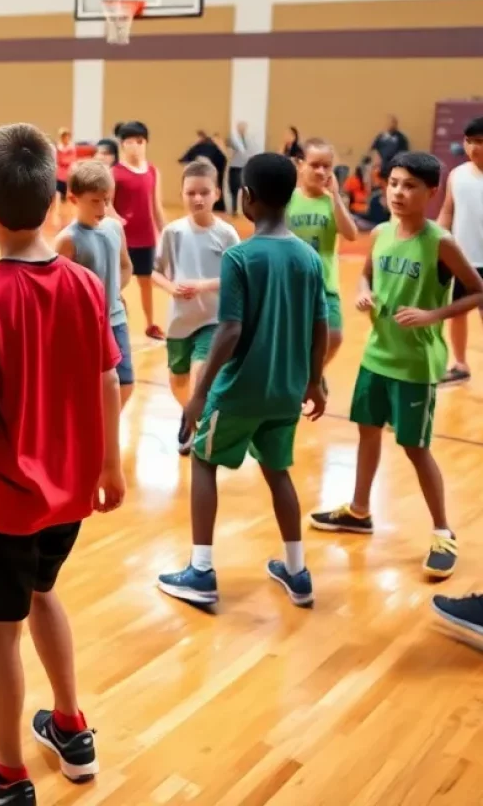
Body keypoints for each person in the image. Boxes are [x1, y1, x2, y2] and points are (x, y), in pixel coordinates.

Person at [0, 124, 125, 806]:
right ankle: (71, 726)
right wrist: (110, 467)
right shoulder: (83, 284)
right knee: (44, 593)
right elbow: (109, 378)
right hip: (67, 496)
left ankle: (6, 772)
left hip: (6, 500)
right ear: (55, 201)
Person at [158, 153, 327, 608]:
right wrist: (316, 381)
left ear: (245, 197)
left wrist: (199, 395)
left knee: (202, 460)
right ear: (290, 196)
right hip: (286, 391)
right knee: (278, 473)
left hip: (238, 391)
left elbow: (229, 329)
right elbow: (319, 325)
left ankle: (201, 571)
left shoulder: (240, 256)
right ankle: (297, 571)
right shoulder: (309, 258)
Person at [310, 151, 483, 579]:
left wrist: (432, 315)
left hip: (416, 364)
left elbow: (477, 291)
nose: (398, 193)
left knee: (415, 448)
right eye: (393, 184)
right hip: (376, 357)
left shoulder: (440, 241)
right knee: (367, 434)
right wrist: (362, 292)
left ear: (429, 192)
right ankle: (359, 510)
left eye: (409, 186)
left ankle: (443, 530)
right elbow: (366, 274)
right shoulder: (383, 232)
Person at [153, 160, 240, 455]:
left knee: (201, 374)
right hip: (180, 321)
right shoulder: (172, 233)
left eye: (204, 192)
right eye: (191, 193)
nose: (198, 198)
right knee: (178, 380)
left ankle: (200, 423)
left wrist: (203, 286)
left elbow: (237, 275)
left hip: (213, 319)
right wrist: (170, 287)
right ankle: (188, 413)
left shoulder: (227, 234)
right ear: (182, 194)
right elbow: (154, 271)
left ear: (216, 193)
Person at [56, 160, 134, 408]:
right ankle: (92, 435)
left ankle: (102, 430)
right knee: (89, 387)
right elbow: (57, 289)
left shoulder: (114, 229)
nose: (102, 207)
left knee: (126, 383)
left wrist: (114, 290)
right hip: (84, 327)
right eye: (95, 201)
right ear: (73, 199)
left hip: (116, 319)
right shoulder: (67, 240)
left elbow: (125, 266)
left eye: (107, 200)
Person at [286, 138, 358, 371]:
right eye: (315, 164)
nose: (321, 171)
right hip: (291, 283)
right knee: (292, 339)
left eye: (327, 166)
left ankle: (312, 374)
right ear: (300, 165)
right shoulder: (289, 199)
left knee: (334, 336)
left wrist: (336, 197)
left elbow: (351, 234)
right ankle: (298, 376)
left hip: (324, 283)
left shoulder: (332, 202)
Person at [437, 117, 483, 384]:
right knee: (457, 313)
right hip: (462, 259)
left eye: (480, 142)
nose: (474, 148)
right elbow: (447, 210)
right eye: (470, 141)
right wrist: (437, 242)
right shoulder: (457, 175)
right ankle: (461, 365)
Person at [112, 121, 165, 339]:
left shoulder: (152, 171)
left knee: (146, 282)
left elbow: (157, 206)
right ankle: (109, 319)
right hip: (123, 240)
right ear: (123, 145)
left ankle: (150, 324)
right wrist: (118, 220)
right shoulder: (115, 173)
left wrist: (166, 233)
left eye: (140, 141)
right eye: (130, 142)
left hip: (146, 240)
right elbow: (107, 205)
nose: (136, 146)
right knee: (115, 283)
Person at [179, 130, 227, 212]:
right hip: (209, 177)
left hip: (209, 176)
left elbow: (183, 159)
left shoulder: (201, 148)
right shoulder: (202, 148)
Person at [226, 121, 250, 216]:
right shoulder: (233, 140)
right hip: (234, 167)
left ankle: (245, 210)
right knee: (234, 189)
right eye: (241, 127)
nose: (242, 129)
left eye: (244, 127)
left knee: (245, 189)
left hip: (244, 167)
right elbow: (229, 152)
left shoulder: (248, 140)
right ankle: (234, 210)